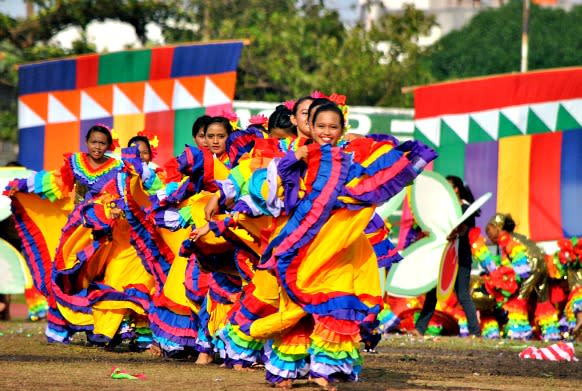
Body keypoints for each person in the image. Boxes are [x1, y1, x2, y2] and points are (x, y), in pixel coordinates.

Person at [415, 176, 481, 337]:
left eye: (449, 187)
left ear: (456, 189)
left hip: (460, 256)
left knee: (462, 294)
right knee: (432, 292)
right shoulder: (441, 208)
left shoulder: (466, 208)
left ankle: (475, 331)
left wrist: (456, 232)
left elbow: (465, 228)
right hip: (442, 256)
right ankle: (420, 329)